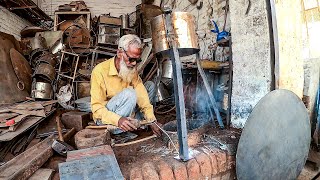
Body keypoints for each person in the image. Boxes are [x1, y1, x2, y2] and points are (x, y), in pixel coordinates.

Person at [90, 34, 161, 136]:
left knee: (150, 86)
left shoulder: (131, 69)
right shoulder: (99, 71)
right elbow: (97, 109)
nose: (134, 64)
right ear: (120, 53)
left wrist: (151, 120)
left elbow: (141, 93)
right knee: (129, 93)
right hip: (107, 118)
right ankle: (120, 129)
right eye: (131, 59)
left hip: (126, 108)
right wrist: (118, 120)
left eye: (137, 60)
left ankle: (138, 123)